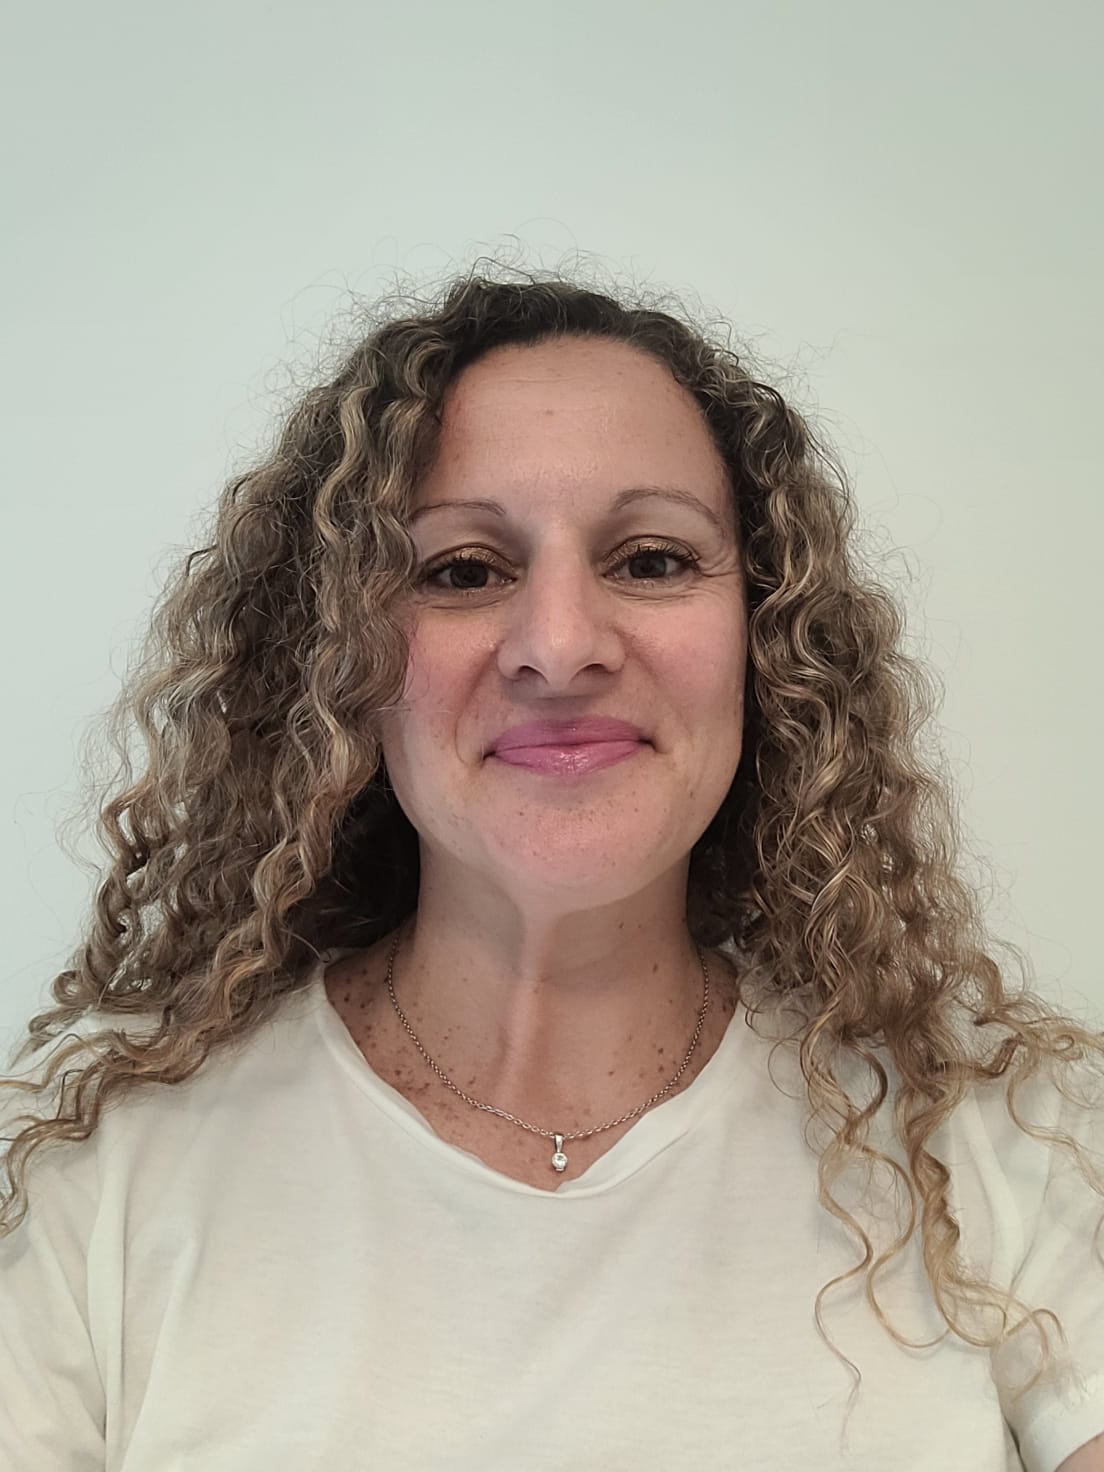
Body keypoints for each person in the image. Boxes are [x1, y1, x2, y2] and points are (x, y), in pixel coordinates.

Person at [1, 265, 1102, 1472]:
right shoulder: (79, 1166)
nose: (562, 645)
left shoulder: (1005, 1140)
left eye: (653, 558)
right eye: (462, 570)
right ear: (337, 659)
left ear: (766, 633)